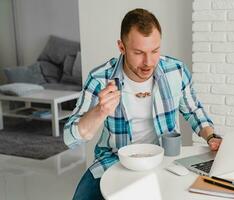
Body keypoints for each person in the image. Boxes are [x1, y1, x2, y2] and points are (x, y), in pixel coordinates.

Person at [64, 8, 222, 200]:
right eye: (138, 53)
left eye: (154, 51)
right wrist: (99, 111)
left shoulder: (176, 71)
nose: (148, 62)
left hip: (166, 160)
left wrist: (211, 136)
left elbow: (194, 110)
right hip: (114, 161)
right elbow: (70, 138)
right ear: (121, 47)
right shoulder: (100, 79)